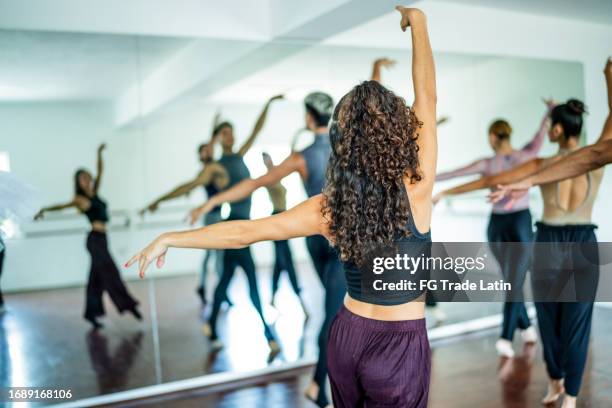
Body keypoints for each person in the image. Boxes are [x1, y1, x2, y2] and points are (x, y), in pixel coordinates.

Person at [126, 6, 436, 407]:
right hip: (399, 344)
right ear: (397, 131)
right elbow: (426, 95)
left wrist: (170, 238)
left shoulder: (328, 207)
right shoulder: (418, 185)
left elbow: (244, 232)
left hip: (345, 336)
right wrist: (419, 22)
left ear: (343, 141)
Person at [432, 58, 611, 408]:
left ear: (556, 130)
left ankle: (565, 389)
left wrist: (445, 192)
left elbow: (487, 180)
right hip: (576, 241)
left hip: (553, 239)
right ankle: (564, 390)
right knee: (565, 320)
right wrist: (608, 80)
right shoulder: (592, 156)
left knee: (556, 320)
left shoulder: (551, 163)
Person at [188, 90, 341, 407]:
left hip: (316, 236)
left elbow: (254, 184)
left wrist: (215, 200)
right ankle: (319, 383)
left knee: (335, 310)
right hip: (341, 239)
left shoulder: (304, 155)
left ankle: (319, 383)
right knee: (334, 311)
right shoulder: (345, 149)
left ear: (308, 117)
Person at [434, 100, 554, 356]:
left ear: (492, 136)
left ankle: (505, 338)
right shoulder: (521, 156)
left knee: (514, 281)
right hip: (501, 225)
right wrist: (549, 112)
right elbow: (539, 137)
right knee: (512, 281)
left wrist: (425, 177)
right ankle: (525, 325)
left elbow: (454, 173)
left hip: (516, 224)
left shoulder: (502, 161)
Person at [200, 95, 283, 355]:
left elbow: (256, 129)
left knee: (225, 282)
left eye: (231, 132)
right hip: (235, 229)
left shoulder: (239, 155)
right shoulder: (217, 166)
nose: (230, 136)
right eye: (224, 134)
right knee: (251, 289)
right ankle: (270, 338)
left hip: (244, 230)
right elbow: (192, 182)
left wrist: (268, 103)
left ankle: (211, 326)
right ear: (218, 138)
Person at [35, 144, 141, 329]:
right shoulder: (80, 199)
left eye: (86, 177)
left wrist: (99, 154)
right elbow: (62, 206)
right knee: (111, 273)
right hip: (95, 241)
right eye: (82, 179)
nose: (86, 180)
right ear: (78, 182)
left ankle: (91, 314)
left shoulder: (95, 192)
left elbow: (101, 171)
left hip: (102, 239)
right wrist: (43, 209)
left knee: (95, 279)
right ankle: (128, 305)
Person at [140, 116, 230, 307]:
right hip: (213, 216)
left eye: (209, 149)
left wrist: (214, 124)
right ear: (201, 156)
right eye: (204, 151)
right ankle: (217, 291)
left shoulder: (214, 165)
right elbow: (185, 188)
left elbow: (211, 143)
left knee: (212, 256)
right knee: (217, 257)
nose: (208, 150)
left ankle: (207, 287)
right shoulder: (207, 171)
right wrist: (159, 201)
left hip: (218, 215)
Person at [261, 152, 308, 317]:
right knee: (286, 263)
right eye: (266, 160)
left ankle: (273, 298)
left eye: (270, 158)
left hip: (283, 217)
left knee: (280, 264)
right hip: (277, 217)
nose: (270, 162)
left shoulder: (278, 175)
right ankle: (303, 306)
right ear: (264, 162)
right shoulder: (269, 179)